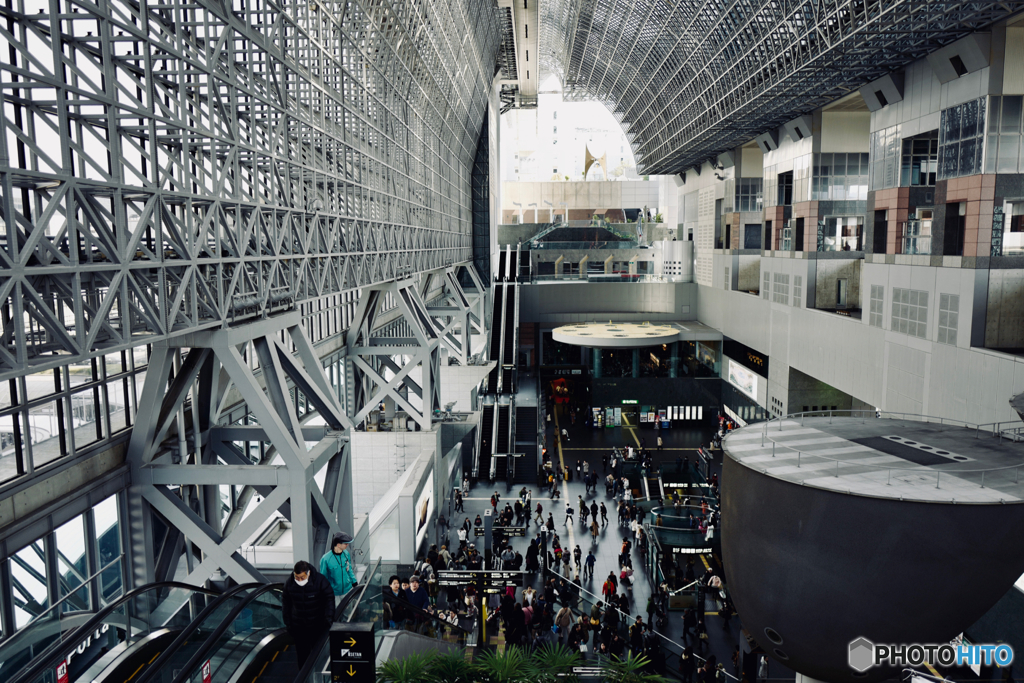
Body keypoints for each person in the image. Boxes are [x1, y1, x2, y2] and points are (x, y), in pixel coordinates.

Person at [282, 560, 335, 668]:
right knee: (302, 656)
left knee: (319, 654)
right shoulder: (290, 583)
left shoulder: (320, 581)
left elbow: (329, 599)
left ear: (308, 573)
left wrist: (328, 619)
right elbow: (285, 603)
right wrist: (288, 624)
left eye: (302, 577)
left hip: (317, 626)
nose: (299, 580)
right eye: (297, 577)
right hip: (299, 627)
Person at [319, 532, 357, 597]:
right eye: (345, 543)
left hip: (348, 590)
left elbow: (349, 569)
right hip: (334, 593)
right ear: (338, 545)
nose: (347, 545)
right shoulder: (325, 559)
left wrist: (354, 582)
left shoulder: (346, 554)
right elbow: (323, 577)